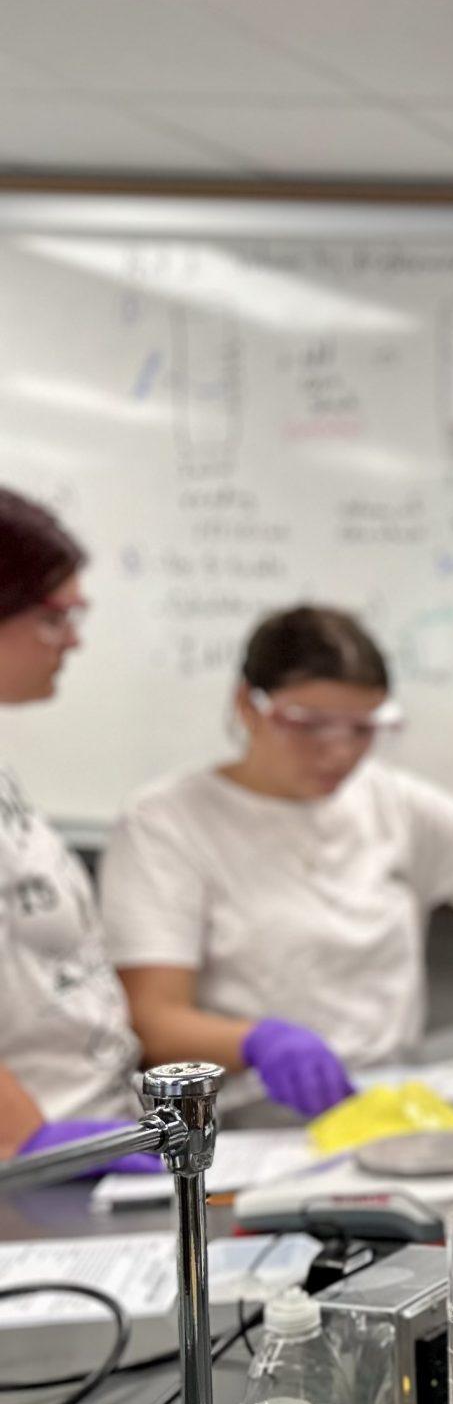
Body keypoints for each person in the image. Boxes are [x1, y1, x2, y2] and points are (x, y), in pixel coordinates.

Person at [101, 605, 453, 1117]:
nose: (337, 752)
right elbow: (155, 1021)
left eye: (361, 729)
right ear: (248, 705)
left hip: (388, 1103)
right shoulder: (167, 822)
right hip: (252, 1116)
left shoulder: (388, 801)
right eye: (309, 725)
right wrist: (258, 1044)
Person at [0, 489, 151, 1167]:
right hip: (29, 1173)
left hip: (87, 1131)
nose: (75, 639)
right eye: (55, 617)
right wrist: (25, 1142)